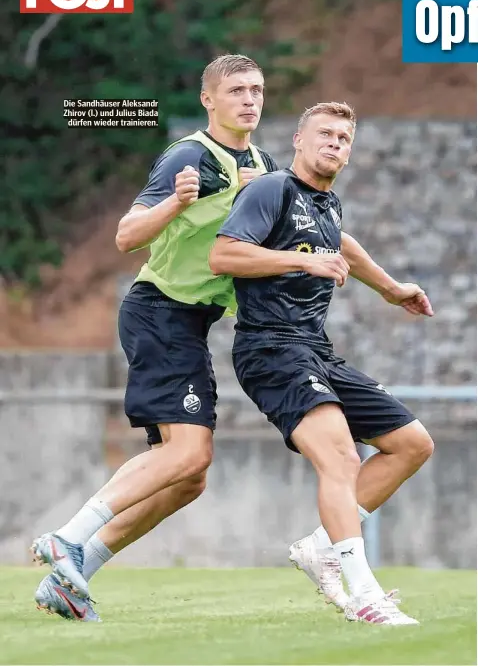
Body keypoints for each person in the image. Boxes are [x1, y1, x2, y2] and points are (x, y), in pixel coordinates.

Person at [32, 70, 429, 622]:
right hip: (160, 309)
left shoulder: (265, 173)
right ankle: (69, 536)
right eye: (237, 90)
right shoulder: (187, 157)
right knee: (189, 452)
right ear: (207, 100)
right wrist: (176, 202)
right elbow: (127, 236)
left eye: (258, 91)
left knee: (190, 476)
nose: (250, 100)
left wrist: (390, 288)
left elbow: (331, 236)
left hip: (197, 322)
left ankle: (76, 571)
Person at [209, 101, 434, 626]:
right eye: (325, 134)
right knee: (341, 458)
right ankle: (362, 594)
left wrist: (392, 289)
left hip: (316, 350)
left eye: (344, 139)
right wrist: (301, 259)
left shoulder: (327, 206)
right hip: (270, 348)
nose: (335, 144)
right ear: (299, 141)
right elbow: (224, 255)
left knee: (411, 444)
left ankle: (321, 547)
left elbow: (343, 248)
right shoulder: (271, 190)